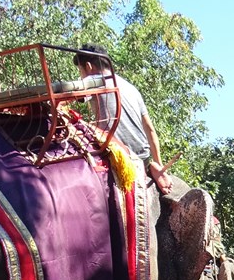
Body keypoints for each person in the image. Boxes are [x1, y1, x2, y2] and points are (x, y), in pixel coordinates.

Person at [73, 43, 172, 194]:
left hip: (120, 158)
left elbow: (66, 95)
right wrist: (159, 165)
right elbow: (150, 129)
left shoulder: (95, 81)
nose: (81, 75)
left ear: (88, 66)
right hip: (143, 158)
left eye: (80, 71)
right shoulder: (131, 88)